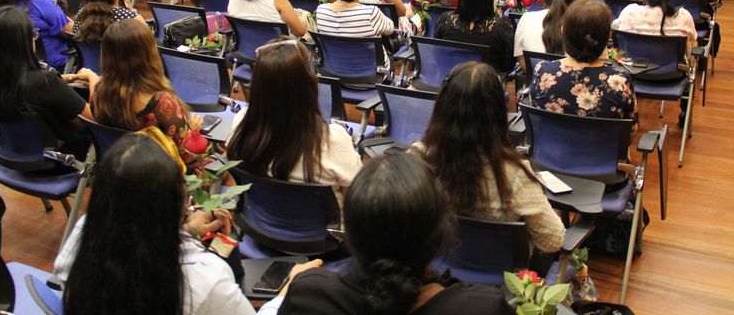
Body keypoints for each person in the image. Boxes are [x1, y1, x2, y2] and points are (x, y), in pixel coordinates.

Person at [262, 151, 514, 314]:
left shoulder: (309, 295)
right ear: (440, 234)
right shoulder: (484, 308)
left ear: (350, 235)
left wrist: (280, 298)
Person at [55, 135, 256, 315]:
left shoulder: (83, 235)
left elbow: (134, 238)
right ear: (177, 202)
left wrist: (184, 231)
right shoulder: (206, 279)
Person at [415, 62, 565, 255]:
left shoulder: (418, 158)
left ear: (441, 105)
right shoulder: (515, 175)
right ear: (498, 112)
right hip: (501, 282)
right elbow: (553, 241)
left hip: (434, 272)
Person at [227, 38, 361, 205]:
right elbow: (357, 199)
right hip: (323, 231)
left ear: (257, 86)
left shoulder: (241, 125)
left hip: (261, 225)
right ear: (308, 84)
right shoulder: (333, 140)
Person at [0, 5, 90, 160]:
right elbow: (93, 122)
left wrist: (67, 79)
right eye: (33, 35)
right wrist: (93, 80)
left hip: (8, 154)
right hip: (56, 161)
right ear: (23, 43)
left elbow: (21, 85)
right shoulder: (43, 83)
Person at [90, 19, 208, 171]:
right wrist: (194, 131)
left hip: (121, 174)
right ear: (148, 53)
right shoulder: (162, 103)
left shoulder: (98, 95)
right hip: (165, 183)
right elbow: (190, 160)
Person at [528, 0, 636, 119]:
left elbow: (536, 115)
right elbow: (631, 128)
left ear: (564, 33)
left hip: (549, 138)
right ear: (608, 37)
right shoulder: (620, 81)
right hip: (602, 138)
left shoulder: (543, 72)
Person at [435, 0, 515, 73]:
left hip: (450, 84)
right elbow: (507, 66)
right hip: (485, 86)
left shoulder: (445, 21)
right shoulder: (501, 28)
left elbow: (438, 56)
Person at [613, 0, 697, 54]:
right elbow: (690, 49)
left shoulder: (629, 12)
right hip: (672, 68)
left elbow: (614, 32)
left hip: (633, 66)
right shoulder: (683, 17)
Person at [514, 0, 578, 67]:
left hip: (535, 80)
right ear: (575, 2)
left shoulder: (526, 18)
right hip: (573, 80)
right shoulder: (583, 25)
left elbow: (524, 65)